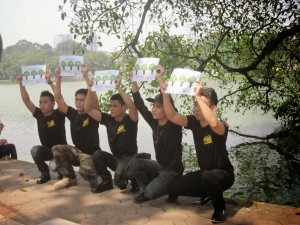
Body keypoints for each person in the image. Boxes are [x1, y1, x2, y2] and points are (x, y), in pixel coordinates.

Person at [161, 79, 235, 223]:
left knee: (209, 177)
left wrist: (196, 95)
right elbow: (172, 116)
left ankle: (219, 209)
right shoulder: (194, 122)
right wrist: (165, 94)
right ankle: (208, 193)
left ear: (213, 109)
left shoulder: (221, 126)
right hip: (205, 175)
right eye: (195, 104)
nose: (196, 108)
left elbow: (213, 122)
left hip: (224, 175)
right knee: (172, 186)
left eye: (201, 104)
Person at [126, 65, 184, 203]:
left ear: (167, 109)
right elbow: (139, 105)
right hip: (160, 166)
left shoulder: (174, 124)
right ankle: (153, 188)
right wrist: (133, 80)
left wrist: (159, 78)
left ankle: (170, 188)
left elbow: (169, 102)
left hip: (172, 171)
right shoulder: (154, 122)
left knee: (150, 194)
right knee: (134, 164)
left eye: (158, 107)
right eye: (154, 106)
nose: (154, 109)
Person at [84, 75, 140, 193]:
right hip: (117, 159)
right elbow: (88, 109)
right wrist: (89, 89)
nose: (111, 109)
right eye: (110, 106)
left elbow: (133, 107)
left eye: (115, 106)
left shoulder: (131, 120)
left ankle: (135, 180)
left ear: (124, 107)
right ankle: (106, 181)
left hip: (130, 159)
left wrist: (119, 88)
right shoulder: (108, 119)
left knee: (120, 181)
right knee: (98, 154)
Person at [52, 65, 101, 191]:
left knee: (85, 172)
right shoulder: (73, 113)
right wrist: (58, 77)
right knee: (57, 149)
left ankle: (95, 178)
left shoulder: (93, 114)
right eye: (77, 100)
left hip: (91, 154)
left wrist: (86, 77)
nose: (79, 102)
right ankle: (69, 178)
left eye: (82, 100)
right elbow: (58, 98)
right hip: (77, 152)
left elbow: (94, 101)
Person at [17, 71, 67, 184]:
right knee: (35, 150)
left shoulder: (59, 114)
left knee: (56, 166)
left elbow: (59, 98)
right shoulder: (39, 114)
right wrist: (21, 84)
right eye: (40, 102)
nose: (42, 105)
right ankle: (45, 174)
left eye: (45, 102)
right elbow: (26, 100)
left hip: (61, 151)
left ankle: (63, 171)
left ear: (53, 103)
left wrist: (50, 82)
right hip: (48, 151)